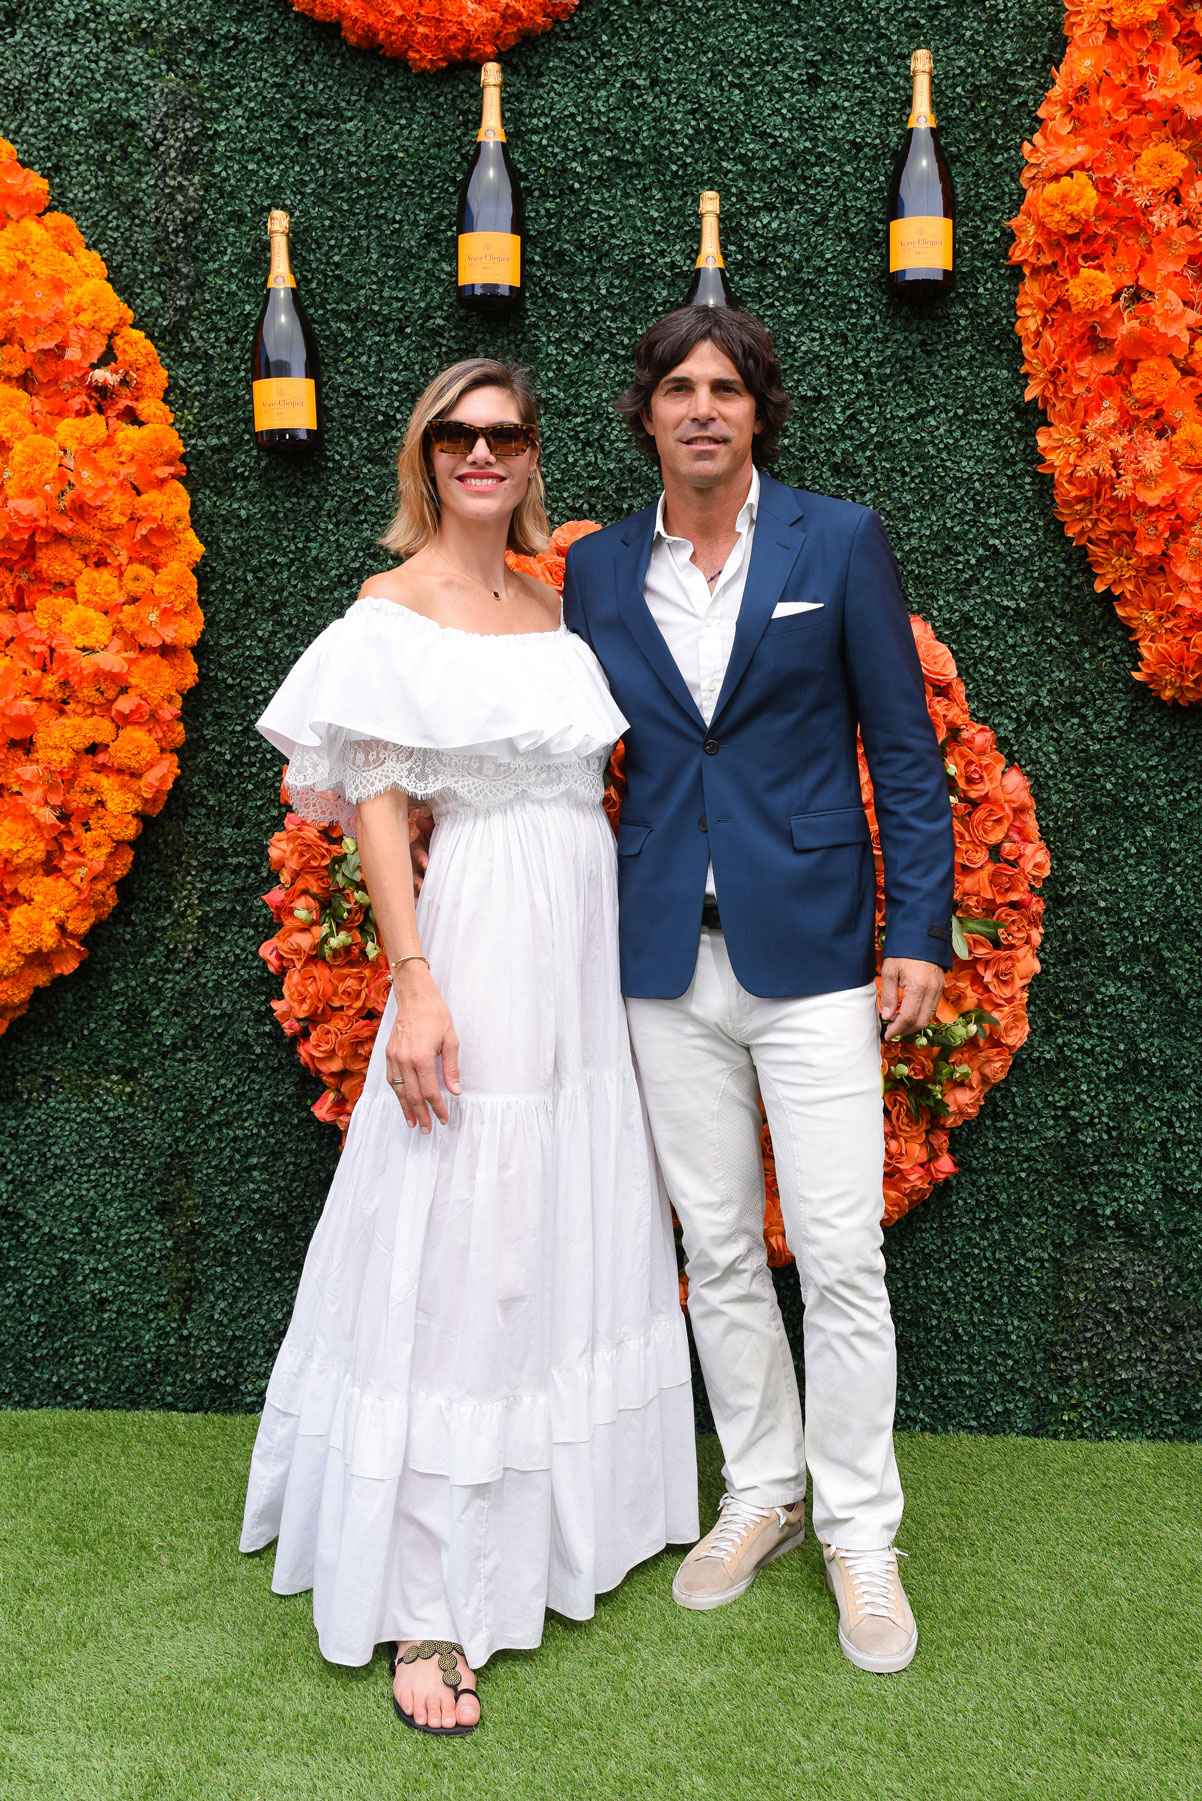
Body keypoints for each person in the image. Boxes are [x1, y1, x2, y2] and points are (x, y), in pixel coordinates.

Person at [240, 357, 698, 1734]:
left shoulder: (554, 608)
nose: (482, 454)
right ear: (425, 457)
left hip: (580, 945)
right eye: (457, 436)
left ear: (531, 453)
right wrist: (415, 982)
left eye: (504, 433)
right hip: (480, 931)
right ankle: (429, 1598)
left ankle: (562, 1522)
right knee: (464, 1227)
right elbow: (378, 800)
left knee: (560, 1207)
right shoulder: (392, 610)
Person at [562, 307, 955, 1676]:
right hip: (664, 959)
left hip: (815, 960)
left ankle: (859, 1530)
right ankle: (763, 1491)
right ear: (647, 413)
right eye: (678, 386)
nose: (702, 408)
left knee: (840, 1254)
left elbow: (902, 751)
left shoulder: (835, 543)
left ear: (757, 411)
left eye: (725, 387)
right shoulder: (597, 569)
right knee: (719, 1249)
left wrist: (918, 929)